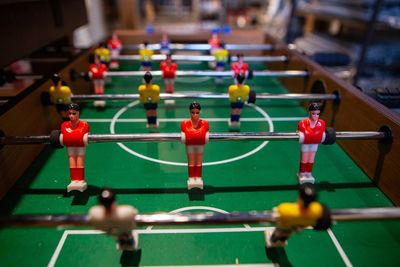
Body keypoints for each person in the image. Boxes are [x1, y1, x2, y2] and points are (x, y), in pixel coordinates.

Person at [265, 183, 331, 247]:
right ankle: (282, 241)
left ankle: (273, 240)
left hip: (285, 225)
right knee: (286, 235)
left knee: (278, 233)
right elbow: (323, 213)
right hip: (296, 227)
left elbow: (276, 211)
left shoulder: (285, 209)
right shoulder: (317, 211)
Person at [60, 103, 90, 192]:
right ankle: (74, 180)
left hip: (80, 146)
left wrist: (72, 136)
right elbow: (66, 135)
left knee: (80, 160)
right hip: (70, 145)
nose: (71, 116)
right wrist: (75, 136)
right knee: (72, 159)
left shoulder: (84, 124)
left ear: (78, 113)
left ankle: (80, 179)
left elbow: (81, 134)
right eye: (70, 113)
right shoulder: (64, 125)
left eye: (74, 113)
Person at [181, 102, 209, 190]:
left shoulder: (205, 123)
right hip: (190, 145)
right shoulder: (184, 124)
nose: (195, 115)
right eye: (193, 112)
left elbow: (206, 133)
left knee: (199, 161)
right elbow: (184, 133)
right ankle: (191, 178)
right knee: (192, 162)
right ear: (190, 112)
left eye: (197, 112)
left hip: (199, 144)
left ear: (200, 112)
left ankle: (199, 178)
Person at [297, 103, 326, 184]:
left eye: (317, 114)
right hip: (306, 144)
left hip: (314, 143)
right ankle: (302, 173)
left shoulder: (322, 123)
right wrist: (314, 135)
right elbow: (305, 132)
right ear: (309, 113)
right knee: (304, 159)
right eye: (313, 113)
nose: (315, 116)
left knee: (311, 158)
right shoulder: (302, 123)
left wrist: (312, 135)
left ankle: (308, 173)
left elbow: (319, 133)